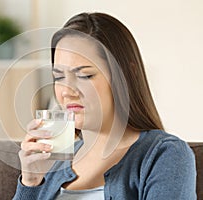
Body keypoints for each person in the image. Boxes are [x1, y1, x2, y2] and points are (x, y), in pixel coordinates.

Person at [13, 12, 196, 199]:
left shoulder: (165, 155)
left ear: (126, 76)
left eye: (85, 75)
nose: (67, 91)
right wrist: (31, 182)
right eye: (59, 77)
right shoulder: (52, 163)